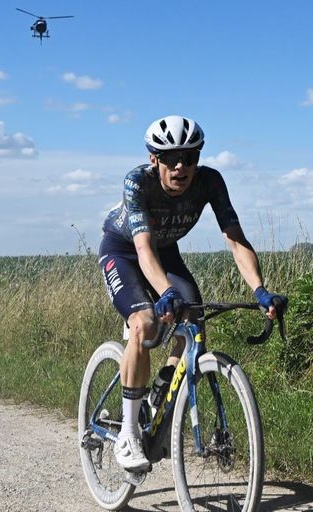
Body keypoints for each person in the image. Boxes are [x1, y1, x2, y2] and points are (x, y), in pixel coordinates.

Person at [98, 114, 285, 474]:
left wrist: (260, 290)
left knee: (194, 318)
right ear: (155, 160)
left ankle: (163, 390)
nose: (181, 166)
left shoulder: (210, 182)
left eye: (190, 157)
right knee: (144, 323)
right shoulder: (137, 182)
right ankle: (128, 433)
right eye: (171, 159)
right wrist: (165, 292)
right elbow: (142, 250)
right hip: (125, 251)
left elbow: (235, 240)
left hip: (164, 253)